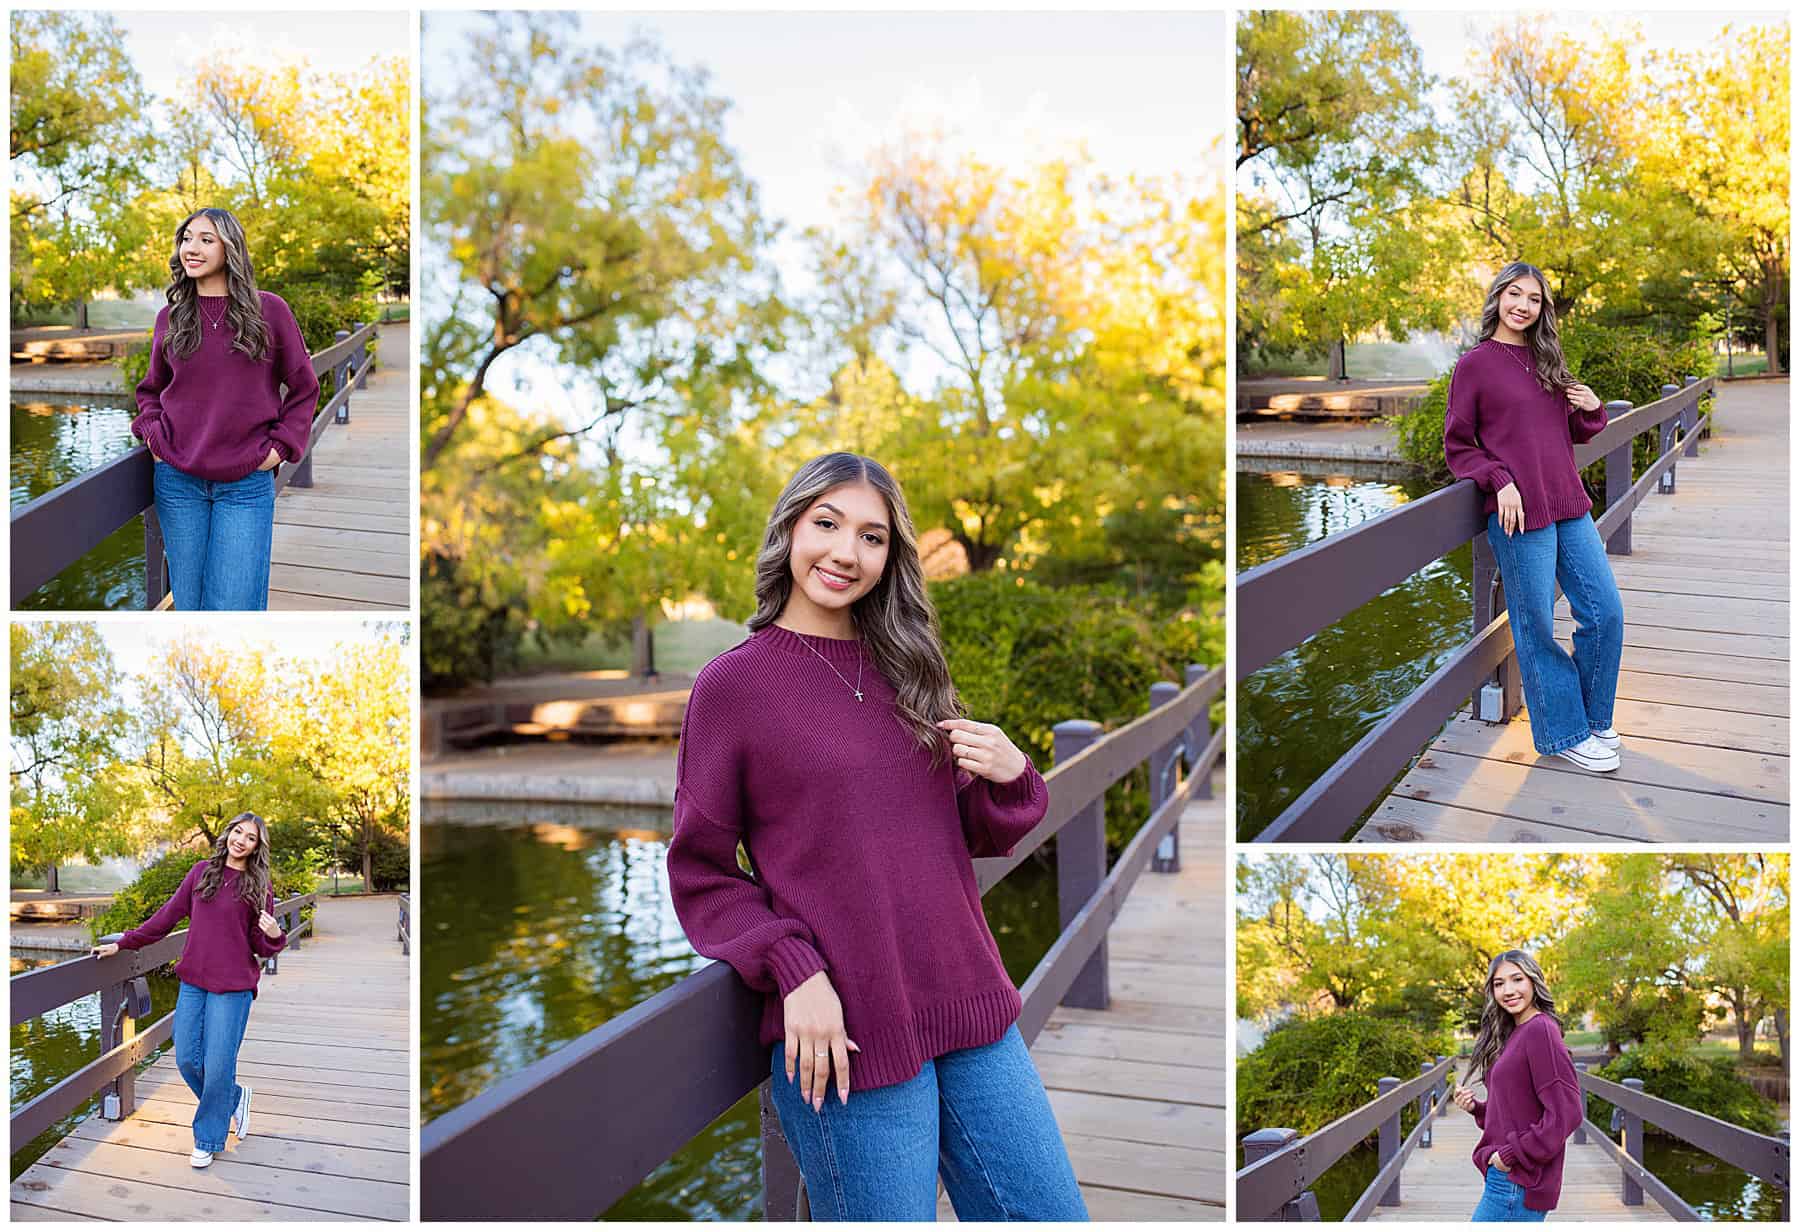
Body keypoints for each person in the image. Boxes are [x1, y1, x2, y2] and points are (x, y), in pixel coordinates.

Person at [666, 452, 1088, 1221]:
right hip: (851, 1038)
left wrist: (1011, 770)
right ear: (790, 527)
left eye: (872, 537)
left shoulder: (909, 668)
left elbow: (960, 833)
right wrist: (794, 967)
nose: (844, 553)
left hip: (970, 1005)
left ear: (891, 557)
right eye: (826, 524)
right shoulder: (731, 688)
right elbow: (701, 872)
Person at [131, 207, 320, 611]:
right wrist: (153, 435)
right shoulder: (170, 318)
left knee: (234, 608)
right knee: (190, 606)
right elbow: (150, 389)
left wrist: (280, 448)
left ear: (230, 248)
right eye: (186, 238)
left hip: (246, 484)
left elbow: (305, 388)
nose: (191, 248)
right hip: (177, 481)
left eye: (205, 239)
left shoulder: (269, 311)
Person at [92, 813, 287, 1168]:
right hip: (194, 983)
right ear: (228, 834)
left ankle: (208, 1138)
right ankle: (234, 1098)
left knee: (217, 1066)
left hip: (233, 987)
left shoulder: (259, 885)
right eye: (238, 832)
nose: (241, 841)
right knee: (185, 1059)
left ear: (258, 847)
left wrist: (274, 934)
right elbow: (165, 918)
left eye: (251, 838)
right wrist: (124, 943)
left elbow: (261, 944)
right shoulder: (201, 873)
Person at [1451, 949, 1583, 1222]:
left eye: (1517, 980)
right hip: (1508, 1177)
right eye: (1499, 984)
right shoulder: (1515, 1033)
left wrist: (1509, 1155)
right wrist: (1477, 1108)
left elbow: (1567, 1113)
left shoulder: (1540, 1030)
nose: (1508, 990)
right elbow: (1519, 1110)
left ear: (1534, 982)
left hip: (1517, 1180)